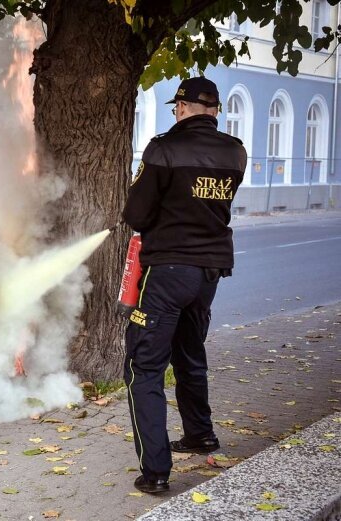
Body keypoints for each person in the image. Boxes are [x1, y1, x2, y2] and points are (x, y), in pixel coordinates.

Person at [121, 76, 247, 494]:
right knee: (190, 354)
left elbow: (137, 214)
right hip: (208, 274)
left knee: (144, 366)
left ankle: (155, 472)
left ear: (183, 107)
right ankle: (200, 435)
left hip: (167, 273)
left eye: (177, 106)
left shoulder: (163, 148)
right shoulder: (235, 152)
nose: (174, 112)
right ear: (215, 111)